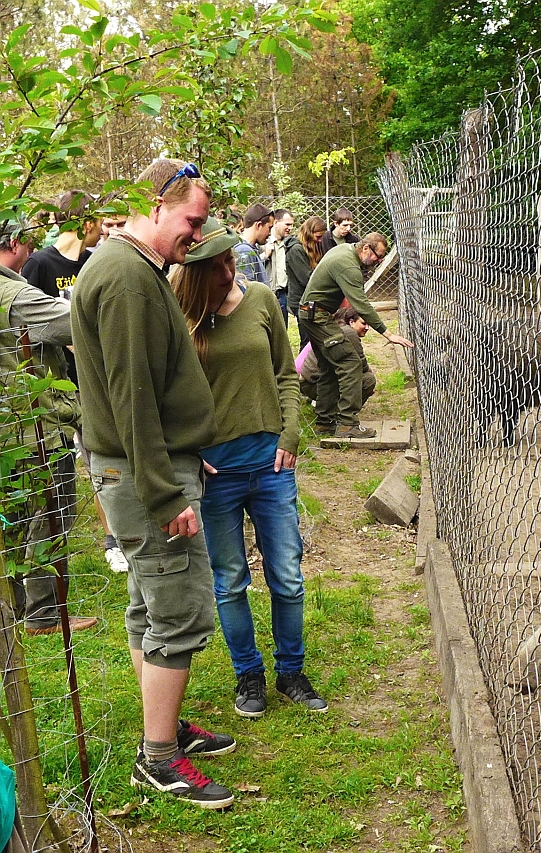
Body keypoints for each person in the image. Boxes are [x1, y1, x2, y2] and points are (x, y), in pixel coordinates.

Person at [71, 158, 237, 809]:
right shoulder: (127, 278)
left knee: (149, 605)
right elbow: (131, 396)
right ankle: (159, 758)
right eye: (193, 220)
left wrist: (186, 453)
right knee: (178, 610)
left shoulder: (135, 268)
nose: (198, 235)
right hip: (146, 476)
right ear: (156, 203)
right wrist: (166, 492)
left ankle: (161, 727)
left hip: (154, 463)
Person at [169, 217, 328, 719]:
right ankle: (249, 675)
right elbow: (166, 395)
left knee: (287, 575)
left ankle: (291, 672)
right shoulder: (180, 317)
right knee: (231, 579)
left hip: (271, 464)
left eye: (229, 261)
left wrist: (290, 433)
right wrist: (190, 450)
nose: (228, 273)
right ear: (194, 273)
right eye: (215, 267)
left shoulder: (259, 299)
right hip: (216, 474)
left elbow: (286, 372)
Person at [0, 220, 99, 635]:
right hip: (35, 429)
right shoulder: (15, 295)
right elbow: (74, 321)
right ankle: (43, 613)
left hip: (11, 431)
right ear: (15, 242)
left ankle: (13, 607)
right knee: (51, 518)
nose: (33, 247)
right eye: (29, 239)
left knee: (13, 522)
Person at [297, 233, 412, 438]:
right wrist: (387, 333)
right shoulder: (349, 267)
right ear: (366, 248)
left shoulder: (345, 250)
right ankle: (347, 423)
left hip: (312, 313)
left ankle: (325, 421)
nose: (379, 261)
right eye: (378, 255)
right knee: (350, 363)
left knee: (328, 366)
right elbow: (361, 305)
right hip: (317, 316)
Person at [22, 190, 102, 300]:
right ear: (89, 225)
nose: (102, 231)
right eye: (100, 223)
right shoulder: (38, 263)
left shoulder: (92, 261)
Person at [297, 306, 376, 408]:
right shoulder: (349, 333)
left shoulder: (337, 329)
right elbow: (362, 365)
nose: (367, 328)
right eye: (363, 323)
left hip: (307, 382)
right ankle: (343, 413)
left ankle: (329, 407)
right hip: (314, 383)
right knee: (368, 380)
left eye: (369, 324)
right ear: (351, 322)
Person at [286, 216, 325, 350]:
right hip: (301, 302)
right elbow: (306, 279)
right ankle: (303, 363)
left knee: (314, 340)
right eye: (318, 236)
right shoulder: (295, 250)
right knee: (307, 341)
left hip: (310, 300)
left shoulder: (312, 247)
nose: (320, 240)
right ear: (309, 232)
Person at [260, 208, 293, 321]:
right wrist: (265, 255)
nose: (290, 228)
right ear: (275, 222)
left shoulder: (289, 244)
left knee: (282, 327)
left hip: (283, 294)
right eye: (287, 224)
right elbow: (252, 265)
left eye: (292, 225)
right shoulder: (263, 241)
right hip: (267, 292)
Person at [232, 203, 273, 286]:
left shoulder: (250, 248)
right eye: (269, 228)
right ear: (259, 225)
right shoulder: (244, 251)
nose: (270, 233)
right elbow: (246, 289)